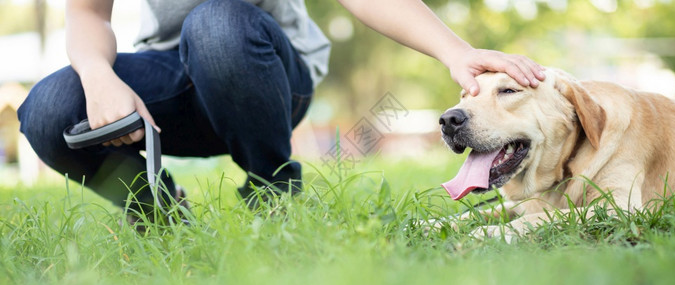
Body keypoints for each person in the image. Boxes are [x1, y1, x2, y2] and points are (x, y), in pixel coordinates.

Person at [17, 0, 545, 218]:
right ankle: (160, 216)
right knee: (48, 109)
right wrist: (97, 74)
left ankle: (273, 197)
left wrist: (456, 53)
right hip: (169, 75)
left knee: (217, 23)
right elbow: (87, 13)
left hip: (263, 72)